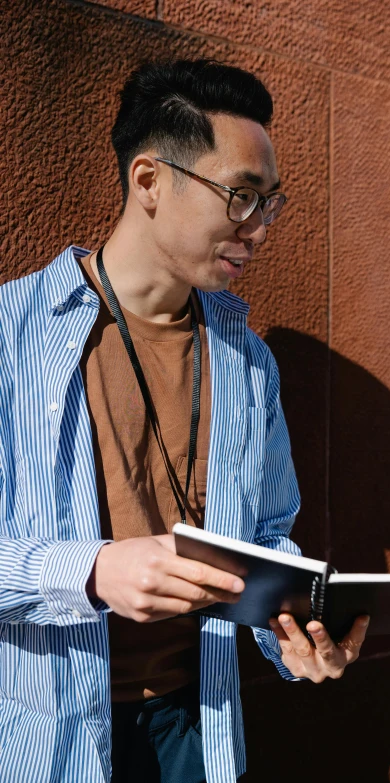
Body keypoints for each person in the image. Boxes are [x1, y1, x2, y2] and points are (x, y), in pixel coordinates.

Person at [0, 59, 369, 783]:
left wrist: (290, 634)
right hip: (42, 731)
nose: (260, 226)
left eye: (270, 202)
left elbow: (266, 534)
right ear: (148, 182)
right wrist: (95, 569)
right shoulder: (11, 335)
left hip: (197, 722)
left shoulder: (247, 360)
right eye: (241, 195)